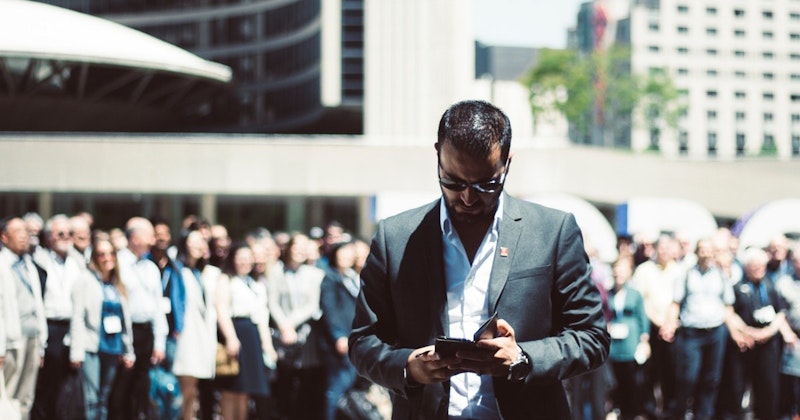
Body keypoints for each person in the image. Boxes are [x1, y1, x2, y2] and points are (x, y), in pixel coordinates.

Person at [348, 100, 610, 419]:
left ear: (507, 162)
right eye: (453, 182)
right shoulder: (396, 237)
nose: (469, 198)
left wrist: (523, 358)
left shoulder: (552, 231)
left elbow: (592, 337)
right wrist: (408, 367)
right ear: (437, 154)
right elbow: (363, 342)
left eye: (486, 184)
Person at [659, 238, 737, 420]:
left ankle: (704, 416)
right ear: (696, 252)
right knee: (688, 378)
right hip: (691, 333)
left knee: (711, 380)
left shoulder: (721, 275)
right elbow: (675, 303)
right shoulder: (686, 274)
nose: (706, 253)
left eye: (709, 250)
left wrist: (737, 333)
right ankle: (677, 414)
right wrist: (669, 324)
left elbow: (728, 308)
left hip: (715, 332)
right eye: (702, 250)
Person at [70, 236, 135, 420]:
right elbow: (77, 317)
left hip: (113, 347)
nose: (107, 258)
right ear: (94, 258)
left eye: (111, 254)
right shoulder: (85, 280)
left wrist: (129, 350)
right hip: (92, 347)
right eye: (101, 254)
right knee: (92, 398)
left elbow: (125, 322)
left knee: (105, 398)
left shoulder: (118, 284)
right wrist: (76, 352)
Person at [110, 217, 169, 419]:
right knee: (120, 389)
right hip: (125, 332)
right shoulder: (117, 263)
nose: (153, 240)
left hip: (146, 333)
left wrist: (159, 342)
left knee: (140, 388)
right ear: (134, 237)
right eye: (149, 235)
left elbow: (158, 307)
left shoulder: (151, 267)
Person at [31, 214, 86, 420]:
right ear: (48, 237)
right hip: (50, 328)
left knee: (67, 387)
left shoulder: (78, 263)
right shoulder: (39, 262)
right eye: (60, 233)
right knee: (46, 386)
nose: (66, 237)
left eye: (69, 234)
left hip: (71, 328)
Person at [267, 233, 327, 419]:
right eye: (297, 246)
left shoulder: (315, 274)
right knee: (283, 382)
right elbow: (272, 302)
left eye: (304, 246)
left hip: (306, 336)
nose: (300, 250)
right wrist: (284, 326)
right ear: (289, 247)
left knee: (305, 383)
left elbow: (312, 305)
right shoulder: (276, 271)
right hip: (282, 335)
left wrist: (290, 323)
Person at [215, 243, 276, 420]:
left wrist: (267, 346)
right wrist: (231, 338)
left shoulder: (256, 283)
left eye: (248, 258)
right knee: (231, 388)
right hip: (236, 331)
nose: (245, 262)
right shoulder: (227, 279)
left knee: (246, 389)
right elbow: (222, 309)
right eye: (241, 258)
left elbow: (262, 317)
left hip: (252, 335)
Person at [0, 216, 48, 419]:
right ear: (4, 237)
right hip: (11, 340)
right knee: (7, 394)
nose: (24, 236)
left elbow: (38, 303)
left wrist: (42, 342)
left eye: (26, 232)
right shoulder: (3, 265)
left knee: (26, 396)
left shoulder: (30, 264)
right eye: (18, 232)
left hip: (33, 337)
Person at [173, 229, 220, 420]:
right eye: (194, 241)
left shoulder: (203, 273)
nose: (199, 246)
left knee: (194, 389)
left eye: (202, 242)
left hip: (202, 335)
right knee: (186, 386)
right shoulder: (177, 270)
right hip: (185, 335)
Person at [319, 240, 360, 420]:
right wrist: (338, 336)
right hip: (339, 341)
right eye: (342, 254)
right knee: (337, 384)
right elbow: (330, 310)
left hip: (355, 338)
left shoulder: (352, 277)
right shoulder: (330, 277)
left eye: (349, 254)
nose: (346, 258)